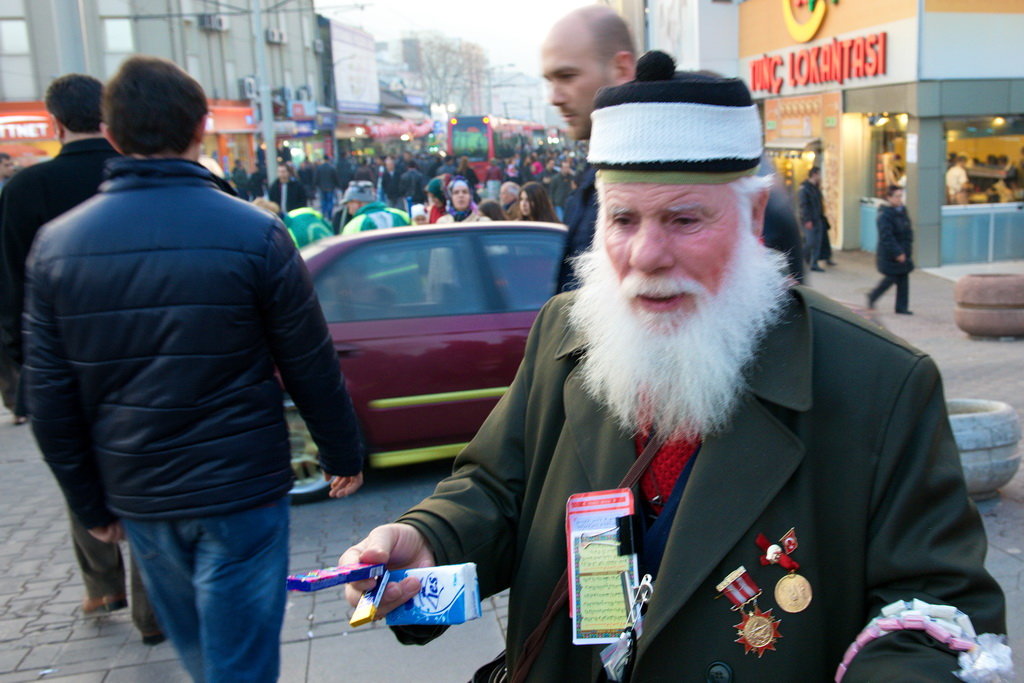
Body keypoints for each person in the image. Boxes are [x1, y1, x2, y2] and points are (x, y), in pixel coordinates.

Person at [339, 54, 1007, 682]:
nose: (646, 254)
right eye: (623, 218)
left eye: (683, 218)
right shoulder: (564, 334)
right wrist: (428, 540)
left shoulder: (881, 384)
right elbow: (497, 488)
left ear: (750, 216)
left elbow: (934, 604)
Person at [23, 57, 364, 682]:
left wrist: (89, 501)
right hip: (242, 488)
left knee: (208, 656)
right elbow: (308, 360)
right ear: (201, 129)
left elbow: (48, 397)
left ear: (112, 134)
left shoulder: (57, 246)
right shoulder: (254, 233)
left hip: (143, 492)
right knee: (237, 663)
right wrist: (342, 451)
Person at [0, 73, 162, 643]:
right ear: (109, 118)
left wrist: (19, 371)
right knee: (144, 479)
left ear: (54, 122)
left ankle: (101, 585)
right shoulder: (136, 178)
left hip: (62, 364)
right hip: (141, 360)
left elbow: (11, 294)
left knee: (77, 469)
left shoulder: (24, 190)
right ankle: (151, 610)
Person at [543, 6, 637, 291]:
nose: (554, 98)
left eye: (567, 76)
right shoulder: (601, 169)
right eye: (550, 80)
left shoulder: (663, 174)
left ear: (621, 69)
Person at [867, 185, 914, 315]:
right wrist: (897, 252)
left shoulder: (902, 211)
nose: (900, 199)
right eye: (897, 196)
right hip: (890, 254)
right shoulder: (884, 215)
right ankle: (873, 295)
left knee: (903, 278)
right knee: (891, 278)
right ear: (889, 198)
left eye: (901, 196)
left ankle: (901, 307)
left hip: (903, 250)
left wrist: (907, 247)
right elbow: (886, 237)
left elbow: (907, 230)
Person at [340, 180, 410, 235]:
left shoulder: (355, 225)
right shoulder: (401, 215)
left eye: (349, 203)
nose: (348, 208)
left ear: (357, 203)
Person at [798, 166, 827, 272]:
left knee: (817, 242)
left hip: (818, 218)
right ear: (814, 174)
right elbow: (803, 205)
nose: (821, 177)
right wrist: (807, 220)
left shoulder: (815, 187)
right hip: (809, 220)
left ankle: (814, 264)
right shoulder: (804, 188)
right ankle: (803, 261)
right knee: (810, 242)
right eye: (820, 174)